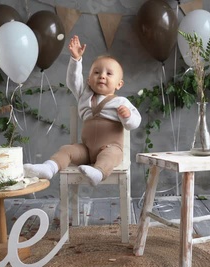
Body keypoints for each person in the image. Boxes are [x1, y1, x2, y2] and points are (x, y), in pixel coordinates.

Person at [24, 35, 141, 186]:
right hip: (86, 150)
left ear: (119, 84)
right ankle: (49, 167)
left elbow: (134, 123)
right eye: (96, 72)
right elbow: (73, 79)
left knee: (110, 155)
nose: (102, 76)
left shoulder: (121, 102)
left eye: (109, 73)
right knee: (67, 149)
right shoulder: (84, 94)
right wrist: (75, 59)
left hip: (110, 148)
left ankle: (98, 172)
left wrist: (127, 116)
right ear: (88, 80)